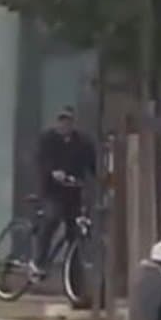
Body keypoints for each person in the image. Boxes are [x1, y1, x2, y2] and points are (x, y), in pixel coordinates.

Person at [31, 106, 96, 279]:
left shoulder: (82, 142)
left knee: (75, 232)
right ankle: (38, 262)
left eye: (68, 121)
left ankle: (74, 277)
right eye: (61, 120)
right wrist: (53, 171)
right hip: (51, 191)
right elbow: (41, 160)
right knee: (52, 217)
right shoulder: (48, 139)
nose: (64, 124)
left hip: (73, 193)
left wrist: (98, 179)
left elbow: (92, 165)